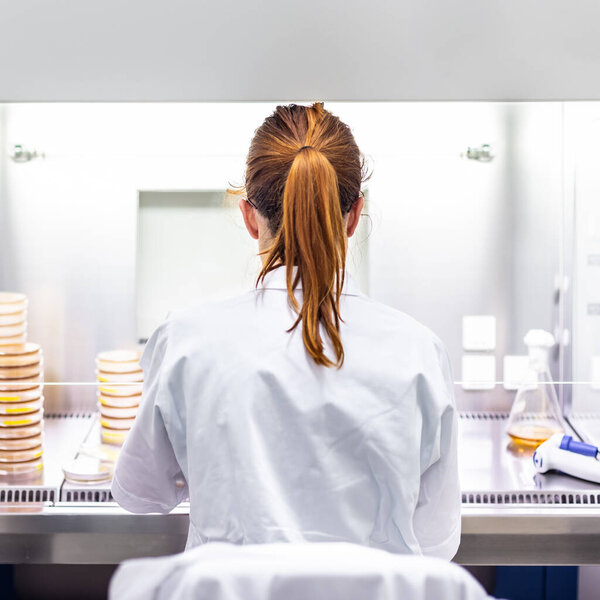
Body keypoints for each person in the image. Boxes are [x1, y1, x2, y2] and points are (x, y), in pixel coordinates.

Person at [111, 102, 461, 559]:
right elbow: (436, 541)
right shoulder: (418, 351)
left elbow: (143, 494)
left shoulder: (187, 340)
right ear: (355, 216)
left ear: (249, 216)